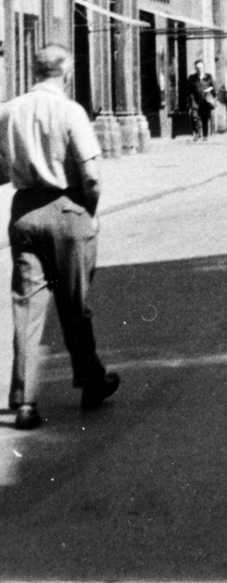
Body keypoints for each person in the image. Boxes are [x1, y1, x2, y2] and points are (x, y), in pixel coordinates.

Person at [0, 44, 120, 430]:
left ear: (34, 71)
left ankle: (25, 402)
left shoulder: (8, 110)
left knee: (27, 309)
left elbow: (1, 170)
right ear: (65, 72)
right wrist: (90, 212)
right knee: (74, 303)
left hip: (24, 213)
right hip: (68, 209)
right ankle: (90, 381)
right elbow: (91, 175)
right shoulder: (71, 111)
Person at [187, 59, 217, 141]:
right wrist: (189, 102)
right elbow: (189, 90)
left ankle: (205, 135)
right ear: (195, 68)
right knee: (194, 117)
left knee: (205, 118)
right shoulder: (192, 78)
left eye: (200, 67)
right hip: (195, 101)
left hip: (205, 101)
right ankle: (197, 133)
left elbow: (214, 88)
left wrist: (210, 91)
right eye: (197, 68)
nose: (199, 69)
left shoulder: (208, 77)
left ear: (203, 67)